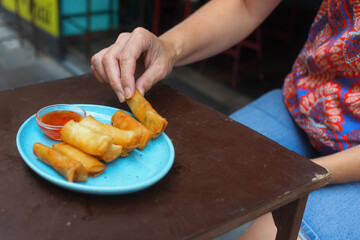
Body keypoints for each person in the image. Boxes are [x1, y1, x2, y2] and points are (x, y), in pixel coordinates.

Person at [91, 0, 360, 239]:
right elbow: (246, 6)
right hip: (302, 104)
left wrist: (304, 173)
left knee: (269, 232)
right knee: (183, 178)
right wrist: (167, 47)